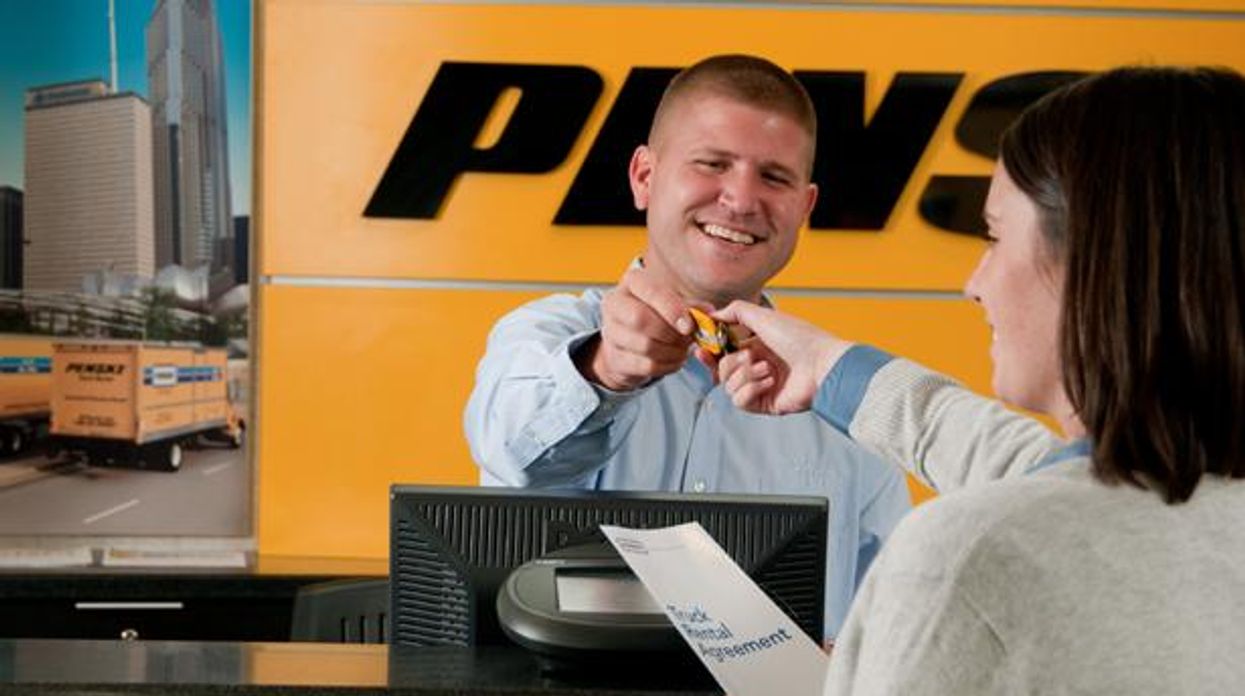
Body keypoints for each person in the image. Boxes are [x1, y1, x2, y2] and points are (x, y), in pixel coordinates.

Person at [711, 65, 1245, 693]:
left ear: (1095, 265)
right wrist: (830, 367)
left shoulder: (969, 559)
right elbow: (1049, 476)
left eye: (993, 237)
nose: (975, 283)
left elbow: (1041, 517)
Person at [463, 54, 911, 639]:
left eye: (774, 178)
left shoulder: (842, 406)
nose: (742, 199)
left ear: (804, 208)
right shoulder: (546, 337)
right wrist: (604, 371)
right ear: (644, 177)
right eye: (712, 164)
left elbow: (891, 637)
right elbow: (512, 451)